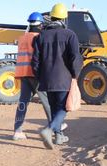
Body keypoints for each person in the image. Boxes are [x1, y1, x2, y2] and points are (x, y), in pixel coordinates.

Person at [32, 3, 83, 149]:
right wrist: (75, 74)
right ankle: (48, 129)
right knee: (63, 108)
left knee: (54, 108)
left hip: (46, 79)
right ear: (64, 19)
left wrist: (39, 76)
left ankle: (59, 136)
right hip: (63, 79)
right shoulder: (70, 35)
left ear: (52, 17)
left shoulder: (41, 36)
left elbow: (35, 61)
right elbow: (75, 57)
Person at [13, 12, 67, 140]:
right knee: (48, 102)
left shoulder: (22, 38)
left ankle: (17, 130)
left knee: (23, 103)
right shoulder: (39, 37)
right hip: (35, 74)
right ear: (40, 24)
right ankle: (55, 127)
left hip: (23, 74)